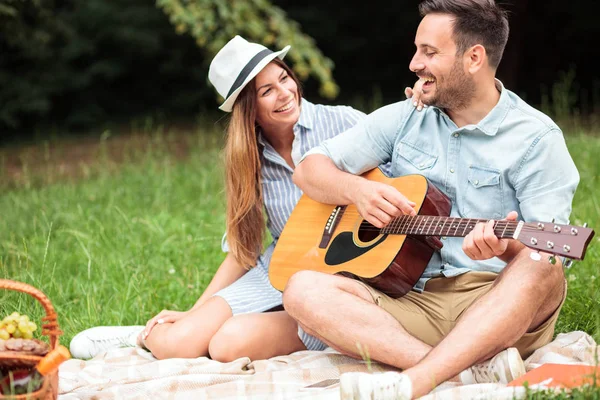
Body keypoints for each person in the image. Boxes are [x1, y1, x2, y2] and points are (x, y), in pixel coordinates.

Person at [284, 0, 580, 398]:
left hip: (495, 303)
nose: (414, 63)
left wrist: (506, 248)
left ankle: (417, 380)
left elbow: (552, 247)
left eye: (429, 52)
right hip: (410, 298)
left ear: (474, 57)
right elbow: (308, 169)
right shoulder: (406, 116)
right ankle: (463, 374)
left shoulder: (537, 139)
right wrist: (358, 190)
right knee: (301, 289)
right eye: (417, 49)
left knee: (541, 263)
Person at [68, 36, 425, 361]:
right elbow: (245, 247)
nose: (284, 93)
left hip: (335, 279)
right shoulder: (248, 159)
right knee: (179, 343)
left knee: (227, 345)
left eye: (285, 79)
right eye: (266, 91)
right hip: (277, 268)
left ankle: (298, 326)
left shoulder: (343, 122)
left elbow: (406, 173)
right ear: (247, 109)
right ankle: (141, 338)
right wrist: (195, 311)